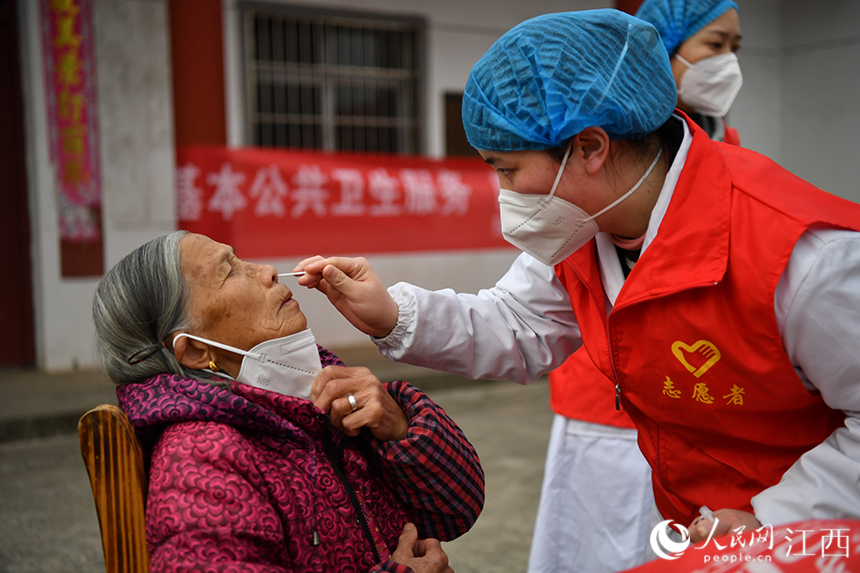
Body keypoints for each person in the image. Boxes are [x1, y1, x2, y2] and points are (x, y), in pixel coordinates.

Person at [294, 8, 860, 563]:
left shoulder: (805, 255)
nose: (505, 194)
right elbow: (518, 324)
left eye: (508, 170)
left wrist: (776, 519)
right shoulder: (587, 228)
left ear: (590, 148)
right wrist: (392, 315)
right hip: (706, 525)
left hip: (813, 537)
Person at [91, 231, 485, 573]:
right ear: (194, 350)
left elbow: (457, 508)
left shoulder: (318, 396)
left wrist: (398, 426)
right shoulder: (203, 457)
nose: (267, 271)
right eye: (229, 271)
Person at [533, 2, 744, 571]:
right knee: (599, 542)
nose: (728, 65)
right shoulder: (613, 157)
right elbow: (528, 306)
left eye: (734, 48)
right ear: (658, 53)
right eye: (714, 45)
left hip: (696, 405)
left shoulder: (725, 148)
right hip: (611, 403)